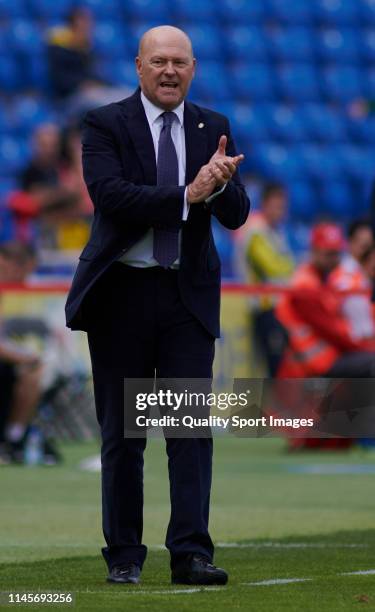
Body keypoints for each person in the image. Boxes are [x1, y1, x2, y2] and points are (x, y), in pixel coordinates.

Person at [65, 26, 250, 586]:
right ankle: (123, 554)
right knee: (124, 434)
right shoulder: (105, 123)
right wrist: (186, 196)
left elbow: (237, 214)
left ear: (193, 68)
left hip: (184, 299)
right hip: (121, 296)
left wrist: (218, 186)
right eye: (159, 62)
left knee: (189, 431)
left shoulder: (211, 126)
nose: (170, 71)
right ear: (139, 67)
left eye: (180, 62)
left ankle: (191, 553)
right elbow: (111, 196)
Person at [276, 223, 375, 379]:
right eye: (328, 254)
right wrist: (365, 346)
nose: (333, 260)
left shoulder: (320, 278)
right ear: (314, 251)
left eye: (336, 254)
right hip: (314, 363)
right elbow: (331, 330)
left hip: (328, 356)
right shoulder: (305, 285)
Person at [235, 182, 294, 376]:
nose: (280, 211)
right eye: (276, 206)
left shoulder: (276, 231)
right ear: (264, 204)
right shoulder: (255, 231)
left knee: (282, 364)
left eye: (283, 207)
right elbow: (274, 268)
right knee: (274, 366)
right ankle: (276, 406)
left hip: (278, 307)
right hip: (263, 307)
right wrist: (293, 268)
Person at [329, 219, 375, 345]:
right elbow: (364, 332)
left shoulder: (365, 274)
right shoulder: (346, 280)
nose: (370, 253)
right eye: (365, 247)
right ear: (349, 244)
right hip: (357, 346)